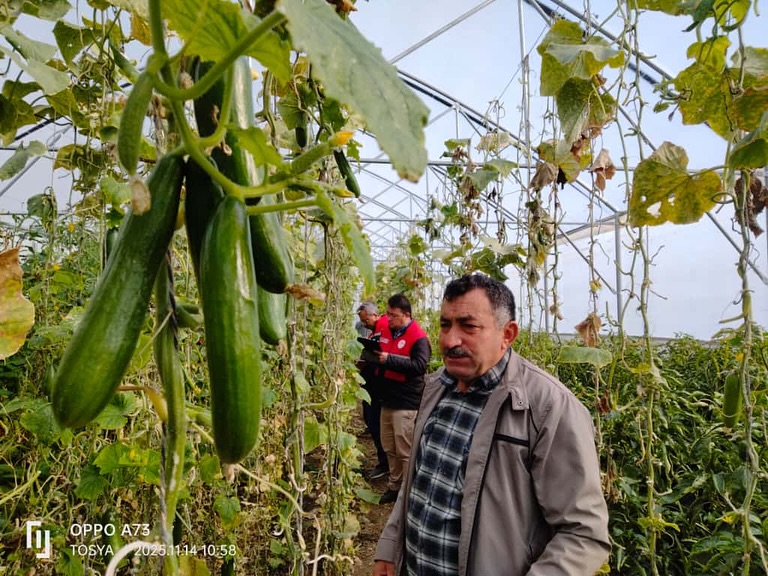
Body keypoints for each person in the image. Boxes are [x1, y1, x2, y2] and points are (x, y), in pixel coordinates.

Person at [373, 273, 610, 576]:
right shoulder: (435, 388)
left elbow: (583, 533)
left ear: (507, 334)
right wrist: (391, 543)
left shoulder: (550, 407)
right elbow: (417, 483)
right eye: (445, 324)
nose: (450, 340)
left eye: (468, 326)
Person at [370, 294, 431, 505]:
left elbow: (419, 366)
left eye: (393, 315)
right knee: (389, 448)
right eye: (387, 314)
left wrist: (389, 359)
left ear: (406, 315)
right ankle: (394, 487)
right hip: (387, 400)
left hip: (406, 403)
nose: (388, 318)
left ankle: (408, 492)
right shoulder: (388, 332)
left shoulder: (419, 338)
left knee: (404, 450)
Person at [356, 302, 389, 479]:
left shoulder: (383, 326)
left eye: (366, 319)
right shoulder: (376, 329)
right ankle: (385, 462)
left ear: (375, 315)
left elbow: (382, 354)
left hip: (379, 385)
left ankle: (385, 463)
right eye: (362, 321)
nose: (364, 324)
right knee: (372, 419)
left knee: (375, 420)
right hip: (375, 383)